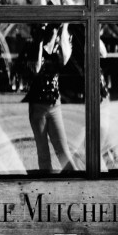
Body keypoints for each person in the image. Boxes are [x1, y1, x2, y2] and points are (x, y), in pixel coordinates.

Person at [23, 22, 76, 172]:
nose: (52, 33)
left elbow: (64, 59)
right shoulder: (35, 47)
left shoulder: (61, 48)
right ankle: (46, 182)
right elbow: (36, 68)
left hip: (54, 105)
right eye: (49, 30)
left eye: (54, 30)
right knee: (43, 153)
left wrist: (64, 26)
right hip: (37, 107)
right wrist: (39, 41)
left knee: (63, 150)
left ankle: (74, 181)